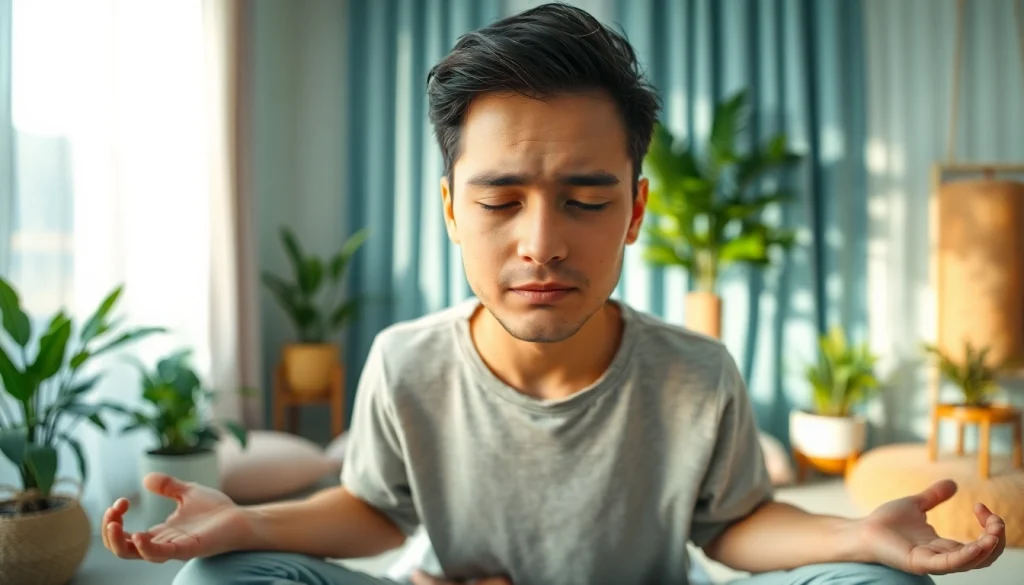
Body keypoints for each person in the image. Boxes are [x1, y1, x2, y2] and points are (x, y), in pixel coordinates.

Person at [102, 4, 1006, 584]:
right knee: (222, 576)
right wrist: (246, 520)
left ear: (636, 210)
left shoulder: (696, 372)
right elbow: (376, 513)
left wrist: (858, 535)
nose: (541, 242)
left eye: (586, 200)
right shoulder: (405, 362)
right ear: (451, 209)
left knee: (879, 580)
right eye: (500, 201)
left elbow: (733, 527)